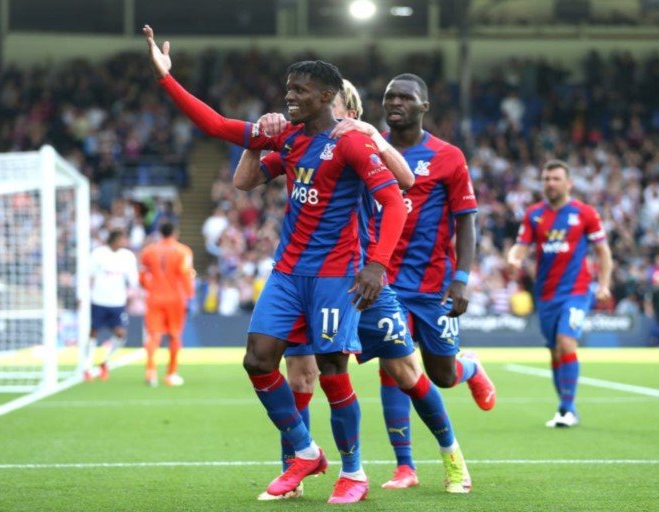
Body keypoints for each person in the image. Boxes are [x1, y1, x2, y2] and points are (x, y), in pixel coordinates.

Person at [144, 26, 407, 504]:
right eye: (287, 89)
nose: (289, 97)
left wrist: (378, 265)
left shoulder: (351, 141)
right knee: (257, 359)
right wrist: (167, 79)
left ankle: (354, 473)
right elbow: (217, 126)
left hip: (335, 275)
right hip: (288, 273)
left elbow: (396, 202)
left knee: (331, 369)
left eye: (299, 90)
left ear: (327, 96)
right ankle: (305, 452)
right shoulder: (286, 138)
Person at [244, 79, 476, 497]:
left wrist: (370, 135)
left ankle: (449, 455)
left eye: (335, 103)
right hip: (318, 278)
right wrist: (257, 138)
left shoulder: (364, 143)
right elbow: (251, 173)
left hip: (367, 281)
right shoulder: (310, 142)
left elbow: (404, 183)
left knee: (406, 371)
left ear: (348, 111)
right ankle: (296, 469)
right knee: (299, 374)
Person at [345, 74, 495, 480]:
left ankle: (470, 368)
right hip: (382, 281)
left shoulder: (448, 156)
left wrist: (461, 277)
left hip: (432, 285)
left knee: (442, 376)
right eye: (389, 96)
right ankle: (404, 466)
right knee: (394, 367)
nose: (395, 102)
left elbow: (467, 221)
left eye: (405, 97)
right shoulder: (367, 149)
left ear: (424, 106)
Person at [507, 159, 613, 428]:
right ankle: (567, 407)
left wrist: (603, 284)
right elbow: (521, 246)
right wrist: (513, 259)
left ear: (569, 183)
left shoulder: (585, 213)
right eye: (546, 179)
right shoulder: (534, 214)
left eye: (555, 179)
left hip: (577, 291)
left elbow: (603, 251)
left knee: (567, 342)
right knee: (555, 352)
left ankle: (566, 408)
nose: (550, 183)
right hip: (545, 294)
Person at [139, 222, 195, 386]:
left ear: (160, 233)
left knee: (154, 335)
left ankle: (150, 372)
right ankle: (171, 375)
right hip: (176, 299)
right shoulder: (183, 251)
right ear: (175, 233)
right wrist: (190, 296)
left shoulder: (148, 251)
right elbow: (186, 275)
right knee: (175, 335)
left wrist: (151, 288)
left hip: (155, 298)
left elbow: (142, 276)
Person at [84, 228, 139, 381]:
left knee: (121, 334)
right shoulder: (98, 254)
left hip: (117, 302)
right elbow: (88, 275)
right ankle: (87, 367)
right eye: (122, 239)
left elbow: (133, 279)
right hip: (99, 300)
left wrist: (133, 294)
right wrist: (83, 295)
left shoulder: (127, 256)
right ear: (114, 240)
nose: (124, 242)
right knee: (93, 333)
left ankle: (104, 361)